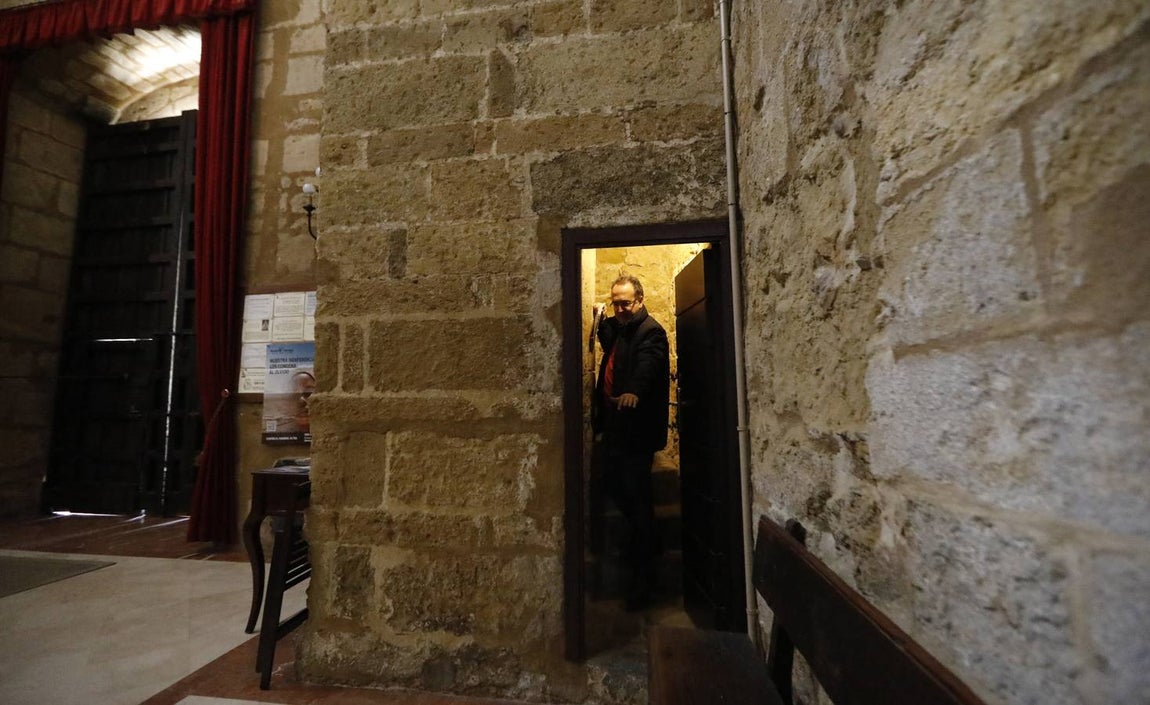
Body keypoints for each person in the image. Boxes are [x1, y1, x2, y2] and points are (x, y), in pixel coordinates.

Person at [593, 274, 670, 611]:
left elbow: (647, 366)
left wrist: (633, 391)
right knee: (614, 484)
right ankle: (648, 541)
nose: (620, 309)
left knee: (638, 502)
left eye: (625, 303)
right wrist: (599, 318)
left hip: (636, 433)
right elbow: (609, 336)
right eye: (616, 303)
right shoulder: (622, 329)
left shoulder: (650, 332)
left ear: (640, 300)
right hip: (618, 429)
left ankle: (644, 582)